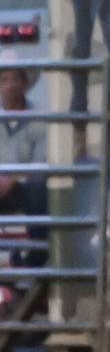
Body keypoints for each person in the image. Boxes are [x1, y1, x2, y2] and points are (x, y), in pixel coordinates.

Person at [0, 67, 48, 269]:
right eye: (4, 80)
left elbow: (41, 161)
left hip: (24, 188)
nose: (10, 86)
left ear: (25, 83)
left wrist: (13, 177)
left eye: (15, 80)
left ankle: (36, 259)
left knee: (38, 186)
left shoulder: (40, 117)